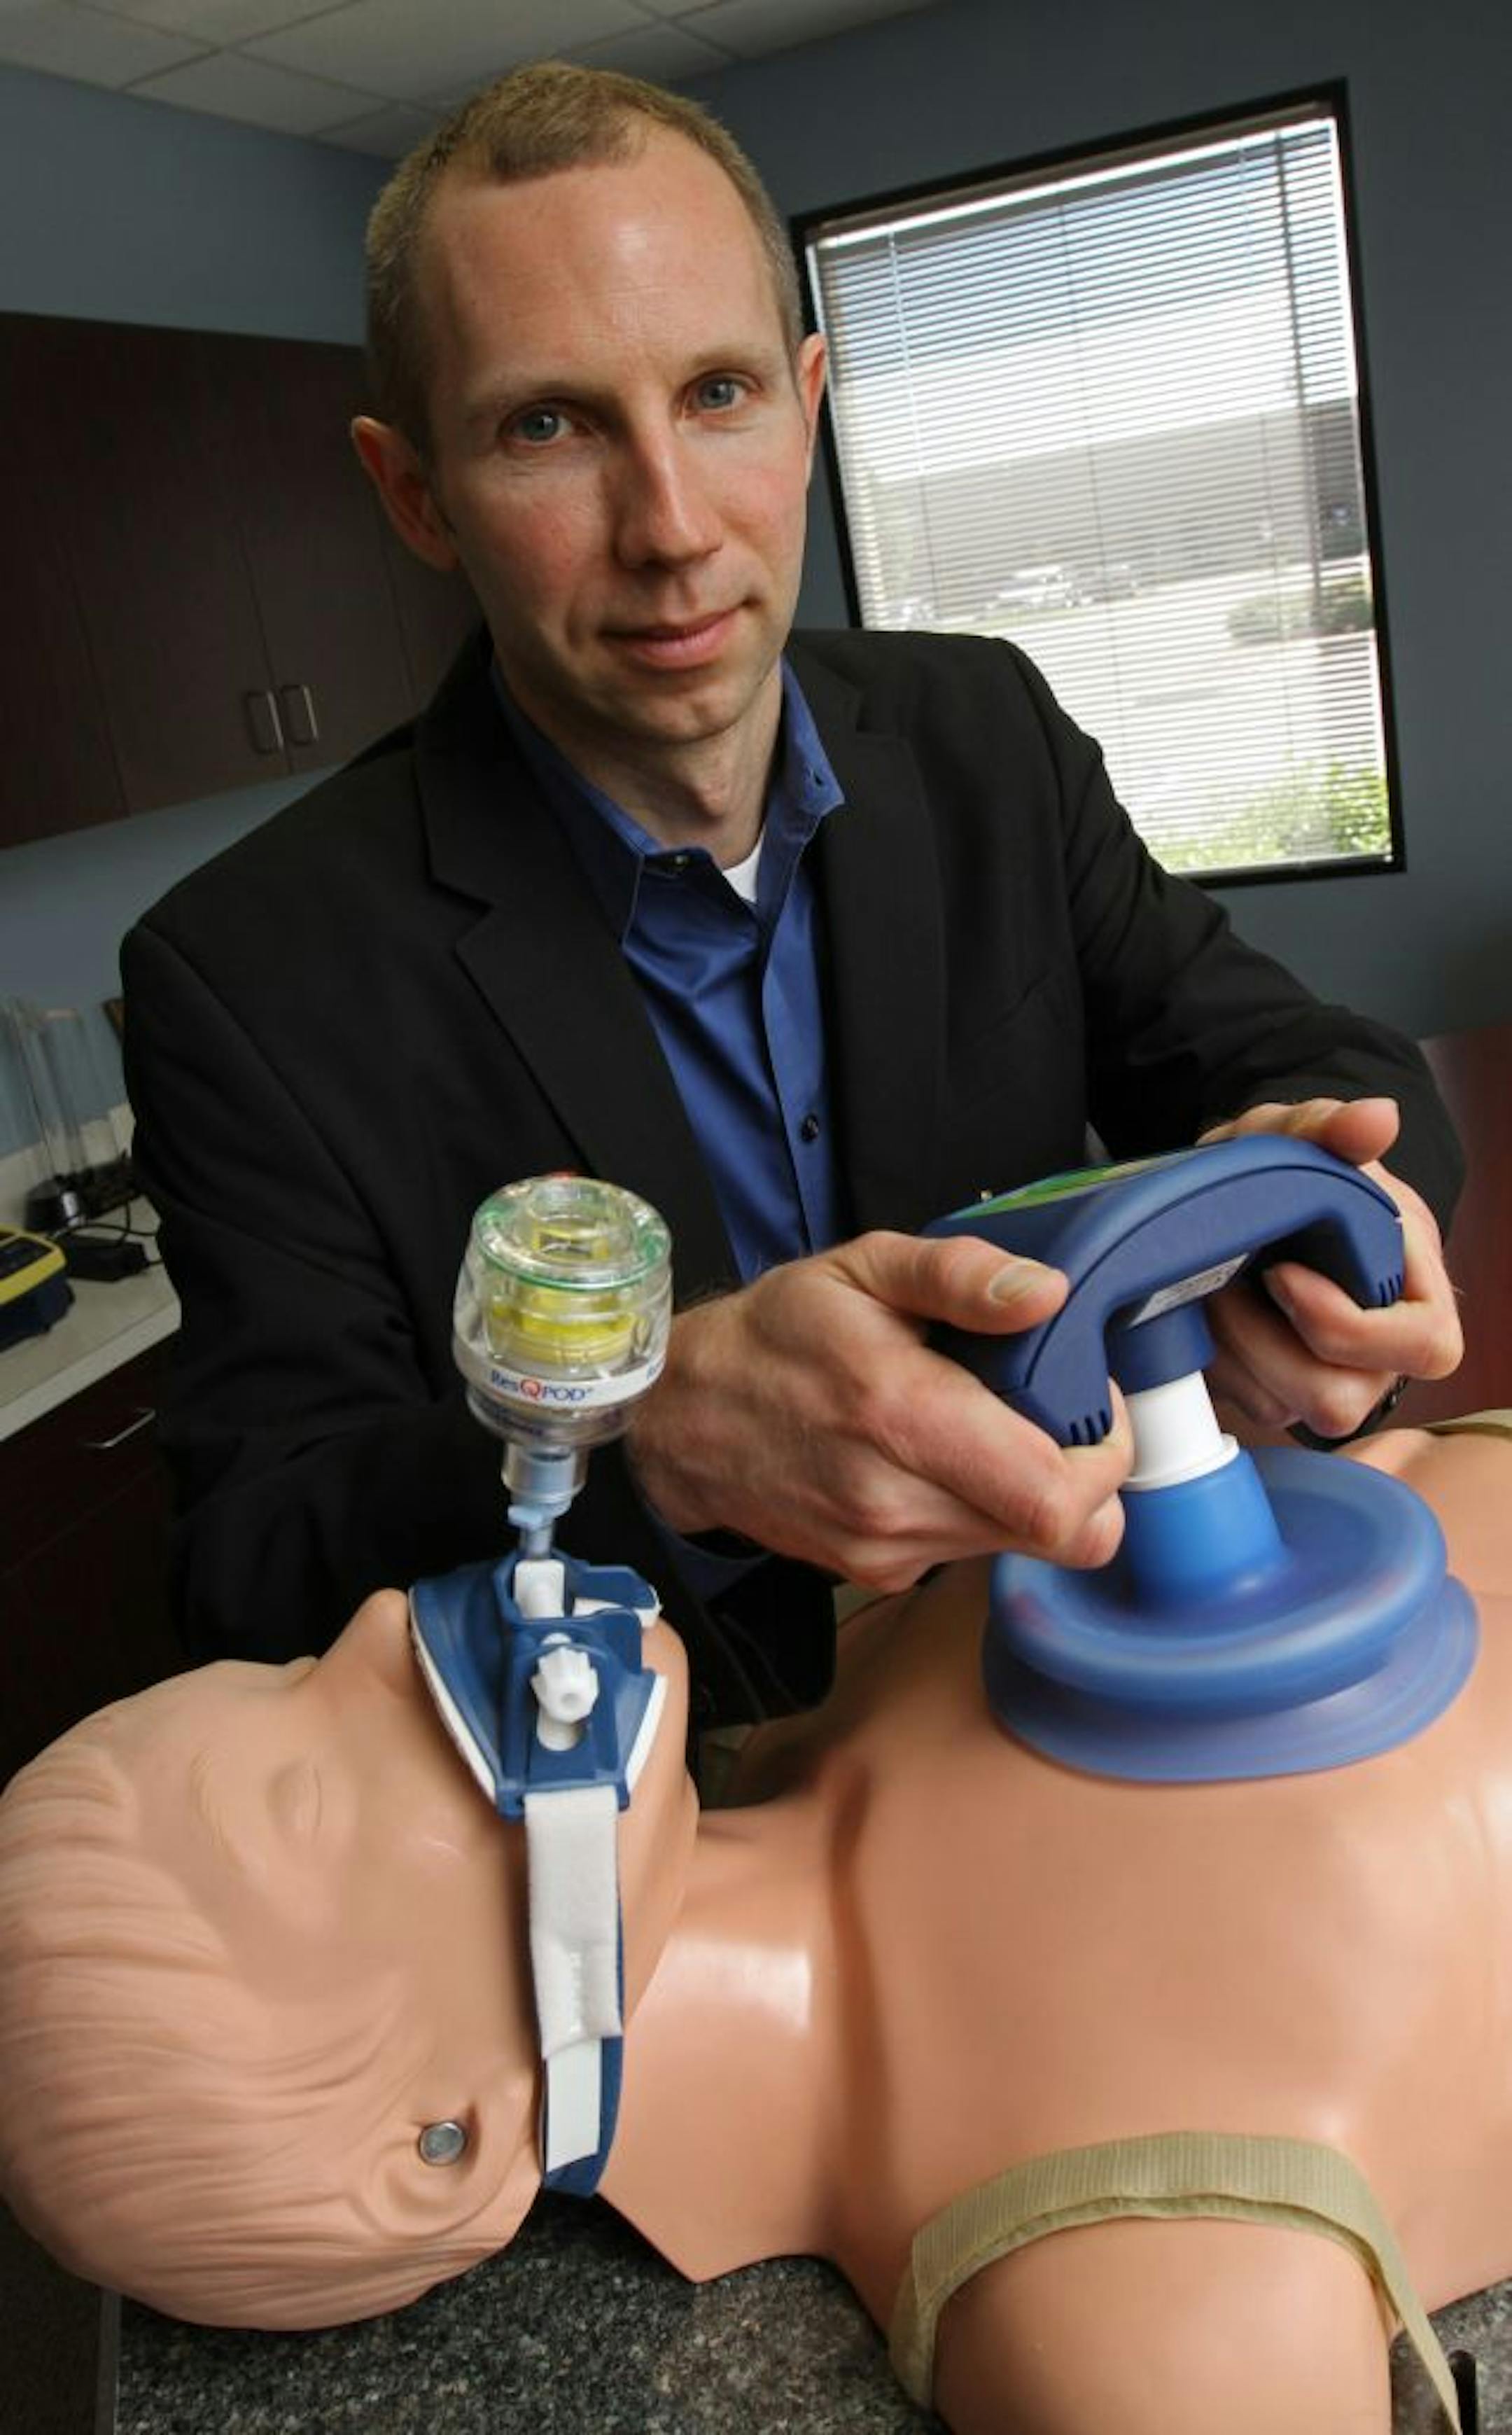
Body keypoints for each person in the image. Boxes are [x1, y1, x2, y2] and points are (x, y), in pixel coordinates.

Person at [120, 60, 1463, 1724]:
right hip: (677, 1787)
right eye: (549, 425)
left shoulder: (990, 731)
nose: (671, 527)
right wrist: (657, 1440)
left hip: (1086, 1644)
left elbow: (1324, 1071)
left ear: (811, 402)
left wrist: (1323, 1247)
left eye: (720, 394)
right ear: (416, 494)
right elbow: (254, 1559)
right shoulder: (249, 972)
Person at [2, 1418, 1509, 2430]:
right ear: (436, 2147)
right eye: (309, 1794)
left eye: (283, 1669)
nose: (386, 1622)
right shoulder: (1140, 2307)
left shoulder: (846, 1669)